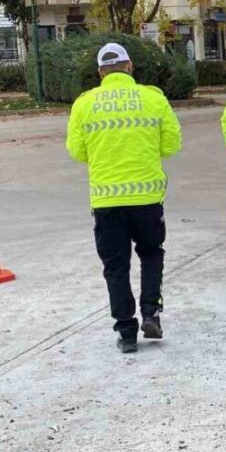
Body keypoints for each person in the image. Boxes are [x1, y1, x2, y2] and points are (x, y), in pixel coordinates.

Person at [66, 43, 183, 354]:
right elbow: (171, 144)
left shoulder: (84, 104)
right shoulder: (153, 98)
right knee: (151, 253)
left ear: (100, 72)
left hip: (106, 202)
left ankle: (126, 331)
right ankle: (151, 313)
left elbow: (77, 151)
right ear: (130, 67)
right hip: (146, 198)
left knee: (116, 266)